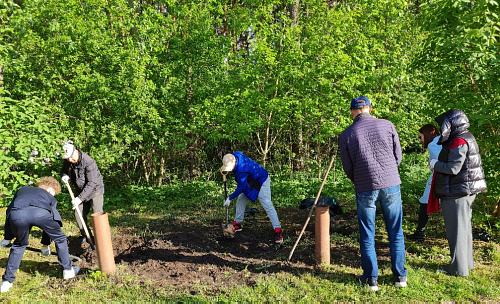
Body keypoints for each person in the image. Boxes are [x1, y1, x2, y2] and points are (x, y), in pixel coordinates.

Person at [338, 96, 407, 291]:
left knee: (367, 233)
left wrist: (360, 178)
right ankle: (400, 277)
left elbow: (348, 167)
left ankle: (371, 280)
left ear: (353, 111)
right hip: (391, 183)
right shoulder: (387, 125)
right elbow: (398, 156)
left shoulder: (347, 134)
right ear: (369, 108)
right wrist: (389, 173)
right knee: (396, 231)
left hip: (365, 186)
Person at [430, 109, 486, 276]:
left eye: (444, 124)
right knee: (464, 229)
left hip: (457, 192)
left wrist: (434, 164)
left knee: (456, 231)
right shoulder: (466, 136)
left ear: (452, 123)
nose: (442, 127)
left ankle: (458, 269)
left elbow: (453, 168)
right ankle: (466, 264)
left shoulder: (458, 141)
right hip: (463, 190)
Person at [0, 177, 80, 293]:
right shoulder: (50, 197)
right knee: (61, 239)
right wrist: (45, 245)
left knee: (19, 245)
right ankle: (68, 270)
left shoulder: (23, 189)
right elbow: (52, 219)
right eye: (54, 193)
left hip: (17, 215)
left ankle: (7, 282)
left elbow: (10, 211)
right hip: (41, 214)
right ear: (50, 189)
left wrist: (7, 238)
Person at [220, 151, 284, 244]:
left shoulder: (241, 170)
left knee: (267, 204)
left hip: (261, 180)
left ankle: (278, 231)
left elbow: (241, 187)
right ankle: (237, 224)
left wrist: (230, 197)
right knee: (241, 200)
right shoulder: (235, 155)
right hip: (250, 180)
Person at [61, 140, 104, 247]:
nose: (70, 160)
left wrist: (79, 198)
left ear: (75, 151)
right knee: (78, 214)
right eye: (68, 159)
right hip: (80, 191)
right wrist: (64, 176)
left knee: (97, 215)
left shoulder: (89, 162)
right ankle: (89, 239)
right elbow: (63, 170)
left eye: (71, 157)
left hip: (95, 191)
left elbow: (92, 182)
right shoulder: (68, 161)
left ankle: (102, 240)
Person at [409, 124, 442, 242]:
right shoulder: (442, 139)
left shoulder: (433, 145)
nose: (420, 140)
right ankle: (419, 232)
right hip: (443, 177)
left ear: (428, 134)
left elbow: (438, 162)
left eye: (420, 137)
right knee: (425, 201)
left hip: (439, 177)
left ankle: (420, 233)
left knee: (425, 203)